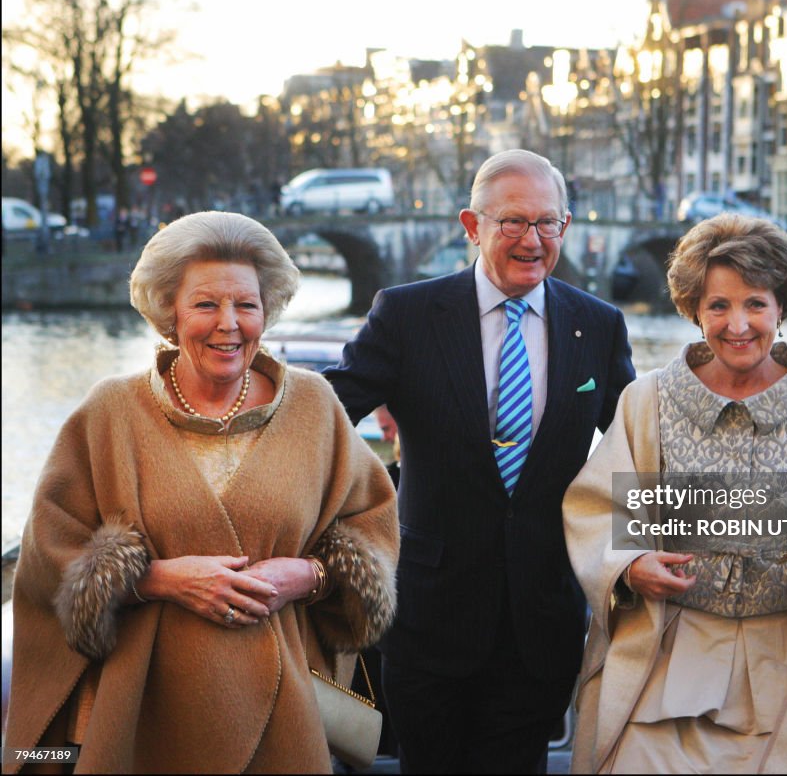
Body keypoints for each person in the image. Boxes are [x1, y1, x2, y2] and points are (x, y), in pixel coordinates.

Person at [3, 211, 399, 774]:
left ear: (267, 310)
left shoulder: (314, 406)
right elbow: (48, 561)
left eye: (246, 305)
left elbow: (372, 531)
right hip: (142, 710)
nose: (229, 324)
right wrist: (159, 579)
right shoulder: (110, 411)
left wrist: (307, 576)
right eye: (206, 305)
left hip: (283, 711)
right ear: (169, 312)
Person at [563, 213, 787, 773]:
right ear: (693, 310)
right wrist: (632, 566)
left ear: (781, 307)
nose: (738, 324)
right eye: (718, 306)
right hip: (669, 662)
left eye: (755, 303)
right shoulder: (646, 401)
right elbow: (597, 511)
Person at [324, 148, 635, 774]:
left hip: (540, 620)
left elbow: (640, 446)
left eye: (549, 223)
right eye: (513, 222)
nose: (533, 239)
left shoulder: (596, 325)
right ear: (472, 226)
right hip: (428, 617)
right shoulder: (408, 314)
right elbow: (325, 413)